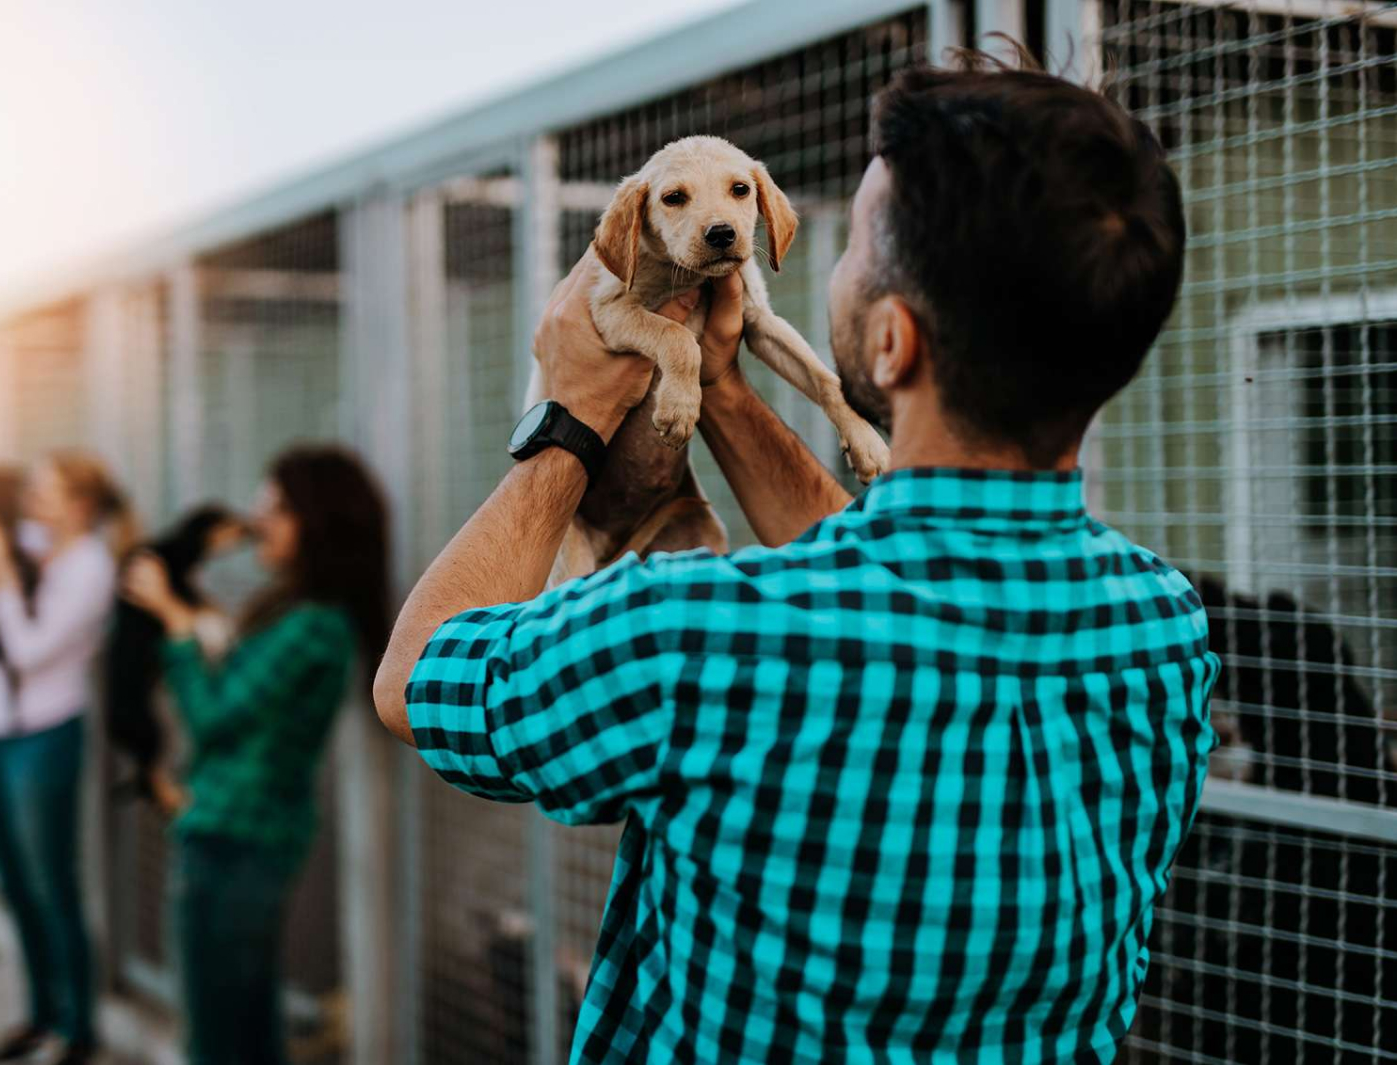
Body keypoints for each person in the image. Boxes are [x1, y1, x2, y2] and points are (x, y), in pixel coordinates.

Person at [374, 55, 1219, 1064]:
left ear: (894, 341)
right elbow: (886, 584)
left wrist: (574, 414)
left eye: (856, 244)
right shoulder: (1161, 627)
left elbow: (417, 677)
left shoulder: (691, 636)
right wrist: (724, 389)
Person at [122, 444, 390, 1065]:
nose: (255, 519)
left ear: (318, 521)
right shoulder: (291, 608)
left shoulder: (315, 625)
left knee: (221, 1028)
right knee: (241, 1015)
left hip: (240, 840)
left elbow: (212, 717)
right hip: (231, 831)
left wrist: (173, 622)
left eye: (276, 507)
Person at [0, 449, 138, 1065]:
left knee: (51, 880)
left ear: (81, 505)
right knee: (12, 879)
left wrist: (2, 574)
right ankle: (38, 1014)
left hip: (45, 734)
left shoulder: (90, 568)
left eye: (46, 489)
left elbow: (28, 652)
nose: (30, 498)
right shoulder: (29, 540)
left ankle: (79, 1028)